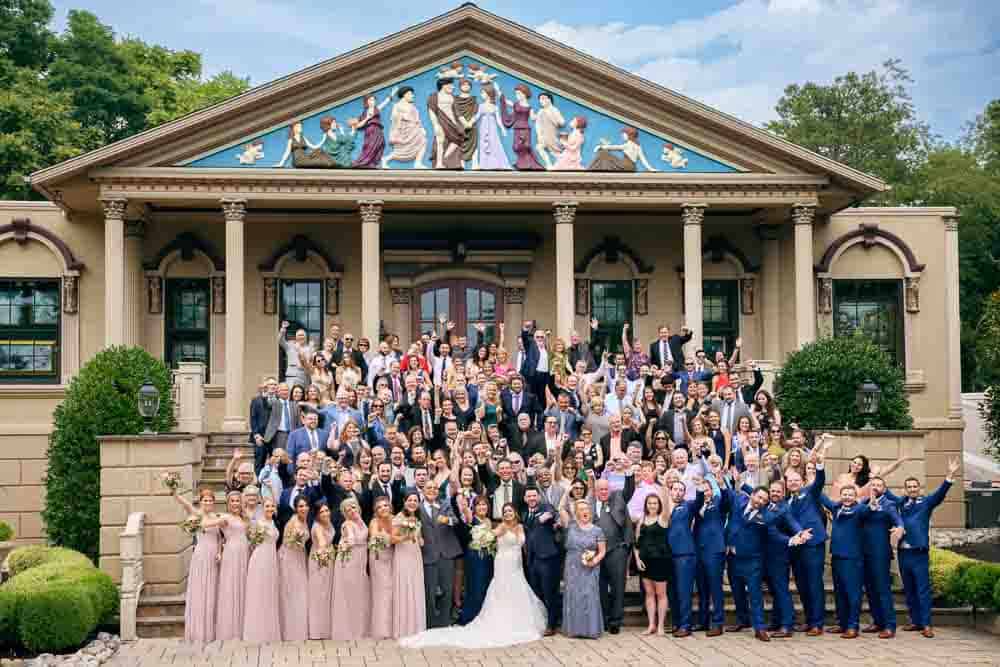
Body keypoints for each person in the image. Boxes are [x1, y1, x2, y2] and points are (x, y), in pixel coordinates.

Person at [400, 500, 547, 648]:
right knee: (503, 590)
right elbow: (486, 537)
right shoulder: (501, 527)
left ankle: (518, 621)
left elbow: (524, 545)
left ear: (515, 512)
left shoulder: (520, 527)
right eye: (505, 512)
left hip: (517, 566)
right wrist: (480, 536)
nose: (508, 514)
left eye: (510, 511)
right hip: (504, 564)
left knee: (517, 590)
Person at [883, 459, 959, 638]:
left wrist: (949, 475)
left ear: (919, 488)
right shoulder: (901, 503)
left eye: (914, 486)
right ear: (905, 489)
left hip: (919, 553)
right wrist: (878, 477)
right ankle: (915, 621)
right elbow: (885, 492)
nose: (912, 489)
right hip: (903, 553)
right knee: (909, 589)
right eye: (908, 487)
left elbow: (941, 493)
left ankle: (926, 624)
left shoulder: (926, 502)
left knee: (922, 590)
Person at [725, 485, 809, 642]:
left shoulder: (767, 516)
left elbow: (775, 534)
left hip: (753, 560)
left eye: (764, 499)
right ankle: (742, 621)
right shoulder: (739, 502)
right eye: (759, 497)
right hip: (733, 558)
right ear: (752, 495)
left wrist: (792, 539)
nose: (761, 501)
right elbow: (732, 520)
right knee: (737, 592)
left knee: (755, 594)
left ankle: (760, 628)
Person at [785, 434, 833, 635]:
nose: (793, 483)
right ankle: (808, 618)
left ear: (802, 480)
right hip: (798, 546)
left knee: (814, 583)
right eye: (790, 481)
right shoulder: (788, 501)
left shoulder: (809, 492)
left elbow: (819, 481)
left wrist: (820, 466)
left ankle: (817, 623)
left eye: (796, 480)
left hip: (813, 544)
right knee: (802, 584)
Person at [174, 487, 223, 643]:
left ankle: (212, 629)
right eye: (205, 500)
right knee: (201, 590)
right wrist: (174, 492)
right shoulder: (197, 515)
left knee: (213, 590)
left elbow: (220, 538)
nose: (208, 502)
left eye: (210, 500)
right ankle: (199, 631)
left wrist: (220, 551)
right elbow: (184, 504)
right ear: (200, 502)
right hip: (201, 555)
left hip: (214, 556)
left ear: (214, 502)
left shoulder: (216, 516)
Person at [861, 476, 904, 638]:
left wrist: (900, 528)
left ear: (884, 489)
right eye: (873, 484)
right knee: (871, 590)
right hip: (864, 553)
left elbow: (898, 520)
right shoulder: (863, 504)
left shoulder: (888, 504)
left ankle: (889, 626)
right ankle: (877, 622)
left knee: (882, 590)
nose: (875, 487)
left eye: (879, 485)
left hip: (880, 554)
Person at [559, 499, 607, 638]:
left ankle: (590, 630)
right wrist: (568, 491)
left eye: (586, 509)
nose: (584, 511)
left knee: (589, 595)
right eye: (580, 509)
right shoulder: (570, 525)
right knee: (574, 595)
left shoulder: (597, 530)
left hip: (590, 566)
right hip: (572, 565)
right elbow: (561, 508)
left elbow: (602, 551)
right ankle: (574, 629)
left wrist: (594, 560)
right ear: (576, 512)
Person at [590, 479, 632, 635]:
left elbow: (629, 489)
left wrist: (629, 474)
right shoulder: (590, 504)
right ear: (595, 491)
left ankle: (615, 621)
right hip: (596, 553)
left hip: (616, 550)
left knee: (618, 587)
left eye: (606, 489)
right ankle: (604, 619)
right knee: (600, 588)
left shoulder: (618, 499)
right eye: (600, 489)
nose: (603, 492)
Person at [522, 486, 562, 635]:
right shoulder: (525, 514)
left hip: (548, 558)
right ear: (525, 499)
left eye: (534, 496)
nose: (532, 498)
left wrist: (548, 516)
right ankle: (542, 621)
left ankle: (552, 624)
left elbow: (552, 513)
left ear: (538, 497)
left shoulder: (546, 507)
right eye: (529, 496)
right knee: (537, 592)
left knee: (549, 592)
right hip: (532, 560)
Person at [694, 473, 730, 636]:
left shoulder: (718, 501)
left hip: (714, 549)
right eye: (703, 489)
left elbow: (727, 501)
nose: (706, 492)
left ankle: (718, 622)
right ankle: (703, 621)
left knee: (715, 587)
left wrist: (722, 484)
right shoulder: (698, 504)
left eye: (708, 489)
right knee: (702, 588)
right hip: (699, 549)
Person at [331, 498, 371, 639]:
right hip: (350, 561)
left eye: (353, 507)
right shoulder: (347, 524)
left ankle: (360, 627)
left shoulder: (360, 521)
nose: (352, 511)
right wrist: (345, 543)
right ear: (344, 513)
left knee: (360, 593)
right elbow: (352, 539)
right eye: (348, 510)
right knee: (351, 593)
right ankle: (350, 630)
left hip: (360, 561)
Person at [242, 498, 281, 642]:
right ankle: (256, 631)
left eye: (272, 506)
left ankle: (269, 630)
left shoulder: (272, 522)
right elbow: (252, 541)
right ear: (262, 508)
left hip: (271, 560)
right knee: (259, 592)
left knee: (269, 592)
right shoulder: (258, 523)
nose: (270, 508)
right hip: (260, 559)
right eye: (267, 506)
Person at [634, 489, 671, 635]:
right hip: (645, 561)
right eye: (650, 503)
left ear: (659, 504)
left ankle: (661, 625)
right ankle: (651, 625)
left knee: (661, 594)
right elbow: (636, 542)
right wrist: (637, 559)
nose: (652, 505)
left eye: (655, 503)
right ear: (646, 505)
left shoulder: (663, 518)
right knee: (649, 594)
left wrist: (664, 488)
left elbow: (667, 505)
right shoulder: (641, 520)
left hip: (660, 560)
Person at [455, 494, 495, 624]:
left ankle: (485, 617)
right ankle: (471, 617)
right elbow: (465, 518)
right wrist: (464, 507)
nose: (482, 507)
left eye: (484, 504)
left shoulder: (489, 521)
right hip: (474, 558)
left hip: (488, 558)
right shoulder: (471, 519)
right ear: (474, 507)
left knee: (486, 588)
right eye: (479, 505)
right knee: (475, 587)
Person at [215, 491, 249, 640]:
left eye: (238, 501)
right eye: (233, 501)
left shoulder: (243, 517)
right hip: (232, 553)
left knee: (243, 585)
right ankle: (229, 628)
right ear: (228, 504)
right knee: (231, 586)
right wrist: (218, 551)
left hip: (244, 553)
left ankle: (243, 625)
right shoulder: (224, 518)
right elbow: (216, 534)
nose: (235, 504)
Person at [392, 491, 426, 638]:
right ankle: (404, 627)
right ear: (405, 501)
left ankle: (416, 625)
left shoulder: (416, 518)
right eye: (410, 500)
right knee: (405, 586)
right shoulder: (399, 518)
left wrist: (420, 539)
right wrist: (407, 537)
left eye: (415, 500)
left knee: (415, 585)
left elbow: (419, 537)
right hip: (403, 554)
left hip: (415, 554)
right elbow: (393, 539)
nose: (413, 502)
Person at [278, 496, 310, 641]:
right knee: (293, 591)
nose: (303, 509)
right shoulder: (294, 522)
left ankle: (300, 626)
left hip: (299, 556)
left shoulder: (304, 520)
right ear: (296, 508)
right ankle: (291, 630)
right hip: (290, 558)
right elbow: (290, 542)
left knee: (300, 590)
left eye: (305, 506)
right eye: (300, 506)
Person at [369, 496, 396, 639]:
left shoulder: (396, 519)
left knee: (392, 589)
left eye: (385, 505)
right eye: (379, 507)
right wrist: (389, 538)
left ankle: (393, 626)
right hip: (378, 558)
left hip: (392, 556)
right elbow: (375, 537)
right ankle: (381, 629)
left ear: (390, 507)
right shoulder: (374, 522)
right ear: (376, 511)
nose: (383, 508)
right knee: (383, 591)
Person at [307, 503, 335, 640]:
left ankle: (327, 627)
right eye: (322, 511)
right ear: (317, 514)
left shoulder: (328, 522)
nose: (325, 513)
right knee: (319, 593)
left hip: (329, 559)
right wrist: (324, 549)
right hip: (319, 560)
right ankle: (317, 630)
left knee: (326, 593)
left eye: (327, 510)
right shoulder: (317, 527)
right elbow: (322, 542)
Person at [278, 321, 310, 389]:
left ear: (306, 337)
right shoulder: (290, 345)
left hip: (304, 376)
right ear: (296, 337)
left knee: (303, 396)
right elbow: (280, 340)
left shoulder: (309, 348)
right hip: (292, 375)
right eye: (299, 335)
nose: (301, 337)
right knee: (291, 395)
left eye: (302, 335)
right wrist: (283, 329)